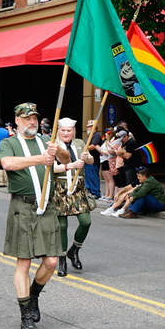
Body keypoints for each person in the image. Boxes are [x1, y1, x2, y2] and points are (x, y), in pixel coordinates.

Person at [0, 103, 60, 329]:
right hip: (22, 207)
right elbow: (7, 164)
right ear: (17, 120)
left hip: (46, 207)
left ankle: (33, 294)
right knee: (24, 263)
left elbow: (61, 157)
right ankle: (25, 315)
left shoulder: (46, 141)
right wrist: (40, 159)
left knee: (52, 261)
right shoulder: (9, 143)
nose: (32, 122)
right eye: (27, 118)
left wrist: (59, 152)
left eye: (34, 118)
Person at [52, 118, 94, 276]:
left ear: (73, 131)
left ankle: (74, 250)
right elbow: (50, 168)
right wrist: (71, 165)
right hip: (60, 188)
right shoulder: (53, 144)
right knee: (62, 226)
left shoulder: (80, 144)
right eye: (63, 130)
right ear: (59, 131)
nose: (66, 133)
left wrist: (87, 158)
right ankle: (61, 260)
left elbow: (91, 161)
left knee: (86, 221)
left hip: (78, 188)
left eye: (69, 131)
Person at [85, 120, 103, 198]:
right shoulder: (90, 135)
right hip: (88, 159)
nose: (87, 128)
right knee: (88, 176)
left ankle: (95, 192)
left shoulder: (96, 135)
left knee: (93, 176)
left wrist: (84, 149)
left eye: (88, 127)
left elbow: (93, 146)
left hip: (93, 160)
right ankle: (89, 191)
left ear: (93, 127)